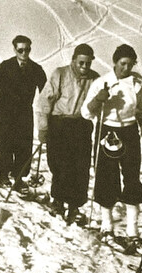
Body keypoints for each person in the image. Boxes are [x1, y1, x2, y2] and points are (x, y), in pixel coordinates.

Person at [80, 43, 142, 253]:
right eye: (122, 64)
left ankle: (133, 232)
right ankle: (107, 226)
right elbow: (86, 112)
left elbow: (141, 111)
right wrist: (98, 100)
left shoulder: (137, 84)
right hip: (108, 131)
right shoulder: (102, 82)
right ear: (114, 62)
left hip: (129, 132)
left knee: (131, 178)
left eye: (130, 65)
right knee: (107, 177)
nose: (126, 68)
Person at [36, 43, 99, 225]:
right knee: (60, 164)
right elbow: (44, 102)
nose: (84, 67)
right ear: (74, 61)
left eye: (88, 63)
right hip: (60, 123)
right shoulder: (60, 74)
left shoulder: (95, 79)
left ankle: (75, 205)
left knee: (80, 167)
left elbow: (98, 105)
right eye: (81, 63)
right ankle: (58, 200)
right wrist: (43, 127)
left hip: (81, 124)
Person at [0, 35, 46, 190]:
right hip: (5, 110)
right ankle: (3, 175)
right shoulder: (6, 66)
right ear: (14, 49)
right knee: (6, 142)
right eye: (20, 50)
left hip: (24, 111)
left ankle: (19, 177)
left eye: (27, 49)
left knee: (24, 144)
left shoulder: (36, 69)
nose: (24, 53)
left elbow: (46, 91)